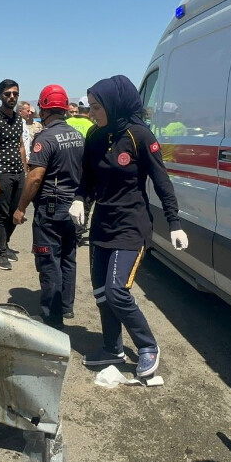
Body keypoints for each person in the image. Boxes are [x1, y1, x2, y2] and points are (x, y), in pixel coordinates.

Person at [70, 76, 187, 379]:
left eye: (97, 107)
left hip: (132, 226)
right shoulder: (95, 137)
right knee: (100, 293)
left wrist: (174, 222)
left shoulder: (140, 136)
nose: (91, 112)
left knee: (117, 291)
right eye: (91, 106)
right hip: (102, 226)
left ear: (114, 104)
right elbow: (88, 181)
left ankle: (147, 346)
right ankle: (112, 348)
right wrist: (80, 199)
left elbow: (162, 182)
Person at [13, 85, 84, 326]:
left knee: (49, 260)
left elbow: (34, 177)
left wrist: (21, 207)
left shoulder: (45, 138)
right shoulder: (77, 135)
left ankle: (51, 317)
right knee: (68, 257)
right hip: (73, 208)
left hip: (50, 210)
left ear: (44, 109)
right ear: (64, 108)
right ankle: (66, 307)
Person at [0, 79, 27, 270]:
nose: (12, 97)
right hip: (1, 173)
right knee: (2, 215)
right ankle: (0, 253)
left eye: (15, 94)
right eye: (8, 94)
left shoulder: (18, 119)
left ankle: (4, 245)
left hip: (19, 172)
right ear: (0, 95)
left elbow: (21, 146)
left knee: (16, 212)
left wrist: (26, 170)